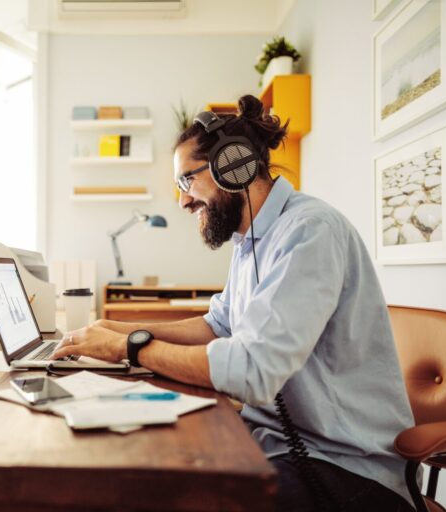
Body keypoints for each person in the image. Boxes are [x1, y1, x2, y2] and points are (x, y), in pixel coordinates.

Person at [52, 94, 415, 512]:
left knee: (175, 495)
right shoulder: (250, 241)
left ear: (233, 165)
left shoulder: (309, 232)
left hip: (344, 469)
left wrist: (130, 348)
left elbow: (251, 372)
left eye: (187, 181)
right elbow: (217, 325)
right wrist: (119, 330)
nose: (184, 201)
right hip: (275, 445)